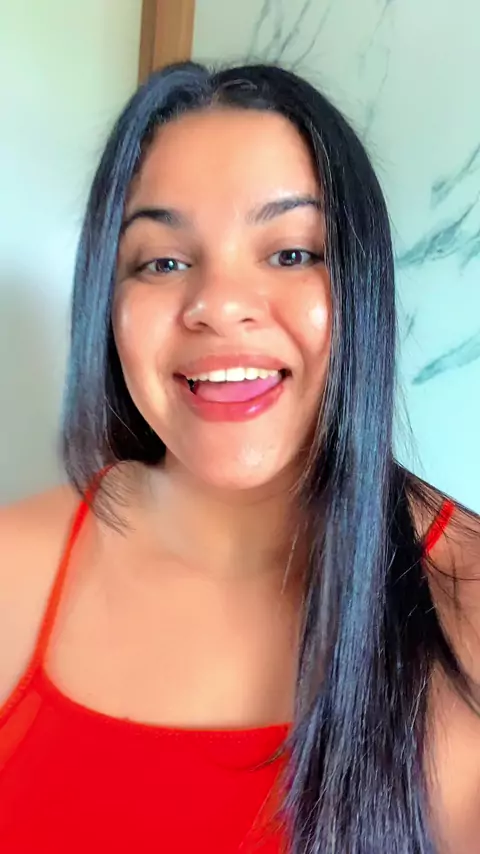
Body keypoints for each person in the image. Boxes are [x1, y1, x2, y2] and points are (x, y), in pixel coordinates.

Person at [0, 61, 479, 854]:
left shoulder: (464, 601)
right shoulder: (13, 565)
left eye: (290, 253)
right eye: (162, 261)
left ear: (360, 285)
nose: (218, 305)